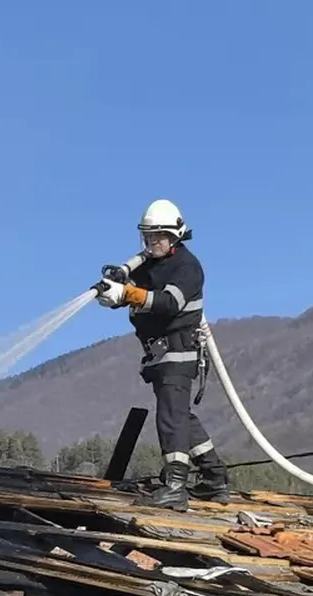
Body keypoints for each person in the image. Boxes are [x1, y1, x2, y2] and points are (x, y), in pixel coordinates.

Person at [95, 199, 230, 511]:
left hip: (178, 350)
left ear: (175, 237)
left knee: (170, 417)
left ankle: (175, 487)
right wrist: (113, 294)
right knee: (179, 415)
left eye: (158, 236)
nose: (152, 242)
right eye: (148, 236)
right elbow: (138, 294)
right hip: (159, 352)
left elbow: (168, 302)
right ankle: (214, 477)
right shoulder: (150, 265)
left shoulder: (187, 267)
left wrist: (128, 294)